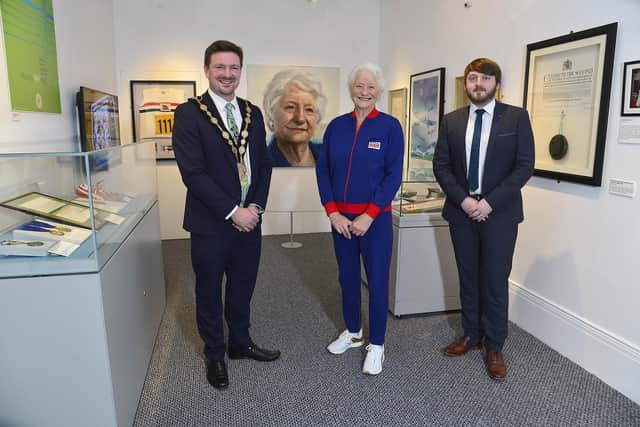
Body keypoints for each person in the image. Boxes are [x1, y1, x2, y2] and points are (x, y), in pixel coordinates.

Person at [172, 40, 279, 390]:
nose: (227, 74)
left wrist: (255, 208)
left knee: (243, 285)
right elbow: (193, 173)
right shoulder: (189, 113)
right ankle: (215, 353)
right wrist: (234, 211)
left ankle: (240, 342)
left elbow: (263, 166)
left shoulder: (252, 112)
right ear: (207, 70)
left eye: (234, 68)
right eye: (220, 67)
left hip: (251, 220)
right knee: (208, 290)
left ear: (240, 71)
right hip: (211, 223)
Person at [432, 58, 534, 380]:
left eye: (486, 78)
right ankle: (471, 335)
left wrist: (488, 202)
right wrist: (463, 200)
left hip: (499, 214)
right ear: (466, 84)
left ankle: (494, 345)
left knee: (494, 278)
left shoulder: (516, 118)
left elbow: (524, 166)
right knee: (468, 275)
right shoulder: (451, 121)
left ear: (496, 84)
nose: (479, 84)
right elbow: (442, 166)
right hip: (461, 214)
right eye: (473, 78)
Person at [316, 62, 404, 375]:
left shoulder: (391, 127)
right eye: (359, 86)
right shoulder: (336, 127)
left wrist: (369, 214)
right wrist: (332, 212)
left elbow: (394, 175)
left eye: (370, 87)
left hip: (375, 220)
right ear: (351, 90)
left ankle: (376, 344)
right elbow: (323, 172)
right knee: (347, 277)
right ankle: (353, 333)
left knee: (378, 281)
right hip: (340, 220)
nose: (364, 92)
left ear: (378, 92)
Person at [263, 70, 327, 167]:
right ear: (271, 112)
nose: (300, 118)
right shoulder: (260, 163)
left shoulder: (330, 157)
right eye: (290, 107)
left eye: (309, 109)